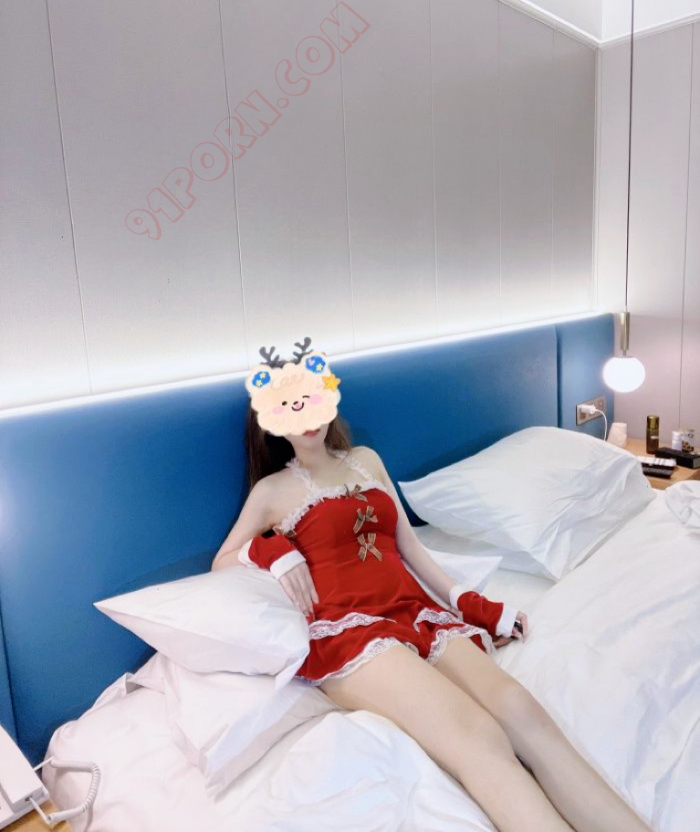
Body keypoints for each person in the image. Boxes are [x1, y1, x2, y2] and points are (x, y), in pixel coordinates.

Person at [213, 341, 652, 832]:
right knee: (477, 736)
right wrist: (273, 551)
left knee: (523, 711)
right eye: (290, 408)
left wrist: (473, 604)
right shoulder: (272, 491)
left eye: (311, 400)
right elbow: (222, 561)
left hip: (416, 612)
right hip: (349, 635)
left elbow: (412, 549)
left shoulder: (365, 460)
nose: (306, 416)